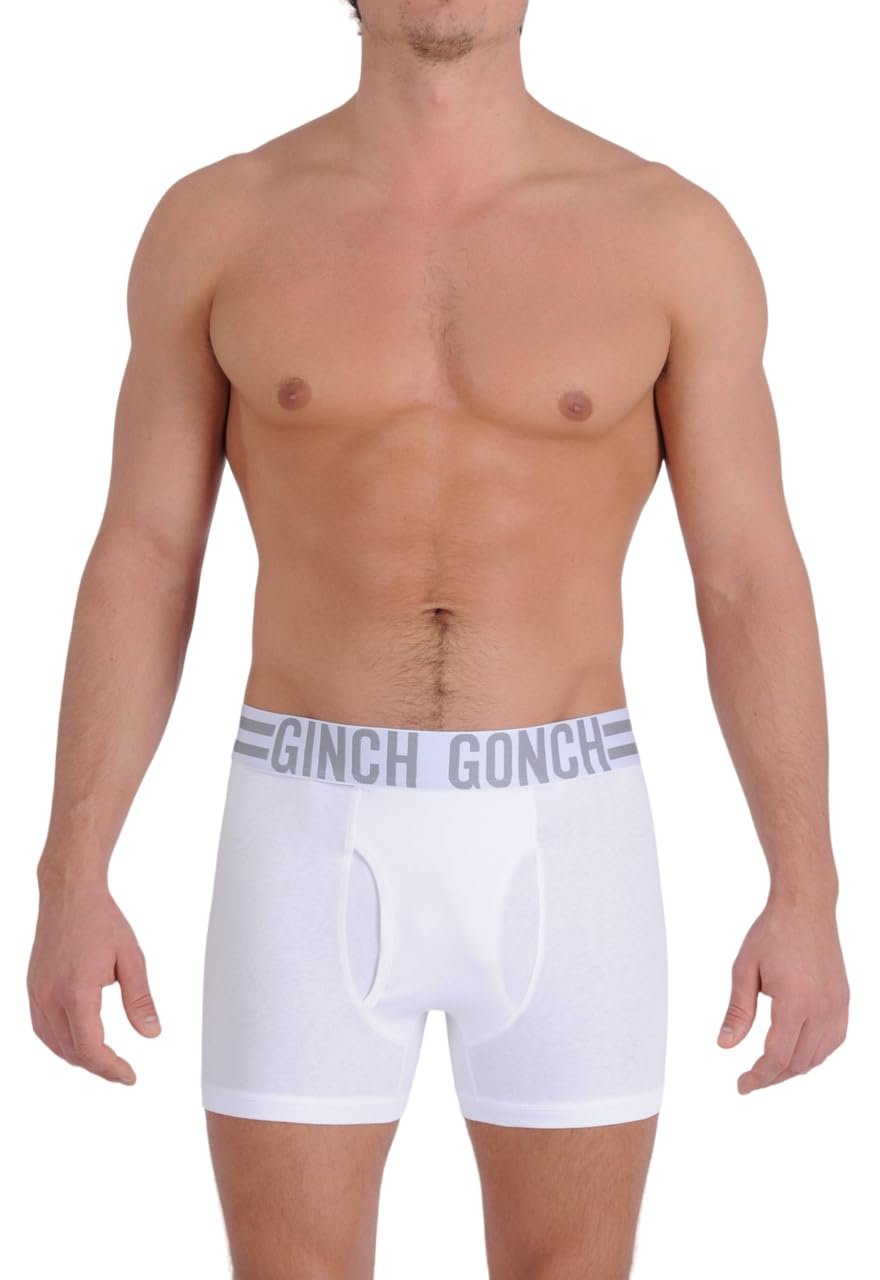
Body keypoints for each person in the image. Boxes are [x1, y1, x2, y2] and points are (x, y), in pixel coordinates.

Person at [27, 1, 850, 1276]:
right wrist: (70, 874)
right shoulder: (220, 223)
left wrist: (806, 888)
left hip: (569, 827)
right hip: (302, 825)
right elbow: (143, 556)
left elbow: (747, 577)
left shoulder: (669, 235)